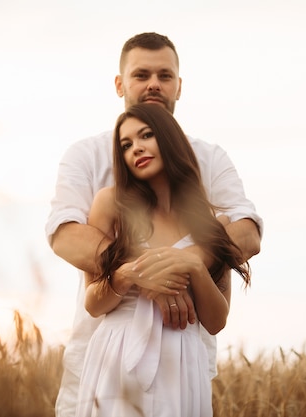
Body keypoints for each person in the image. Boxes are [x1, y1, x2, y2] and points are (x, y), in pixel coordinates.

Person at [45, 32, 263, 417]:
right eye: (140, 74)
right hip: (105, 351)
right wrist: (146, 273)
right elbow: (66, 237)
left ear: (179, 85)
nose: (153, 85)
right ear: (119, 84)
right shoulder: (87, 156)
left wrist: (187, 263)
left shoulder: (210, 158)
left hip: (184, 355)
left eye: (164, 75)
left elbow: (246, 231)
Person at [76, 103, 251, 416]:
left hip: (183, 358)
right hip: (118, 351)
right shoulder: (110, 203)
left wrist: (194, 266)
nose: (136, 149)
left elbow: (215, 322)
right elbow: (92, 303)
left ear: (170, 140)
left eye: (146, 135)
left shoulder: (214, 225)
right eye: (125, 145)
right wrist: (131, 274)